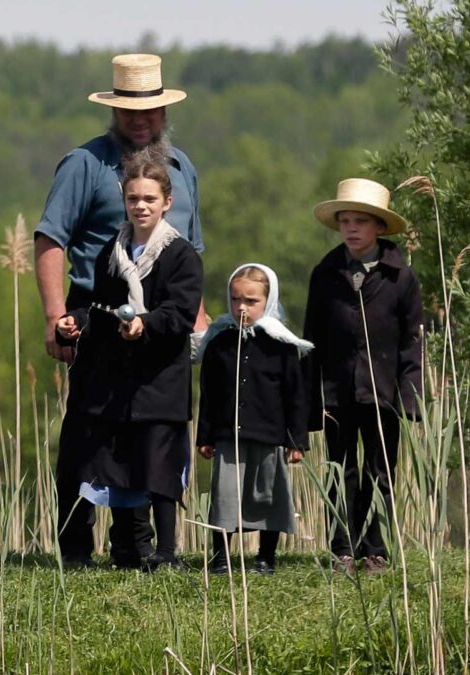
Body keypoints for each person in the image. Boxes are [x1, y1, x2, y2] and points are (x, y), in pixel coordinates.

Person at [35, 53, 205, 567]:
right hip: (98, 316)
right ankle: (75, 549)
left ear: (164, 112)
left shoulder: (182, 169)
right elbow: (50, 238)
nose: (140, 119)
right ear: (114, 110)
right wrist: (54, 315)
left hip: (161, 327)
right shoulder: (84, 164)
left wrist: (195, 318)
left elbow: (191, 250)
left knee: (146, 436)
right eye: (130, 109)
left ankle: (135, 549)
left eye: (150, 110)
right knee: (89, 437)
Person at [54, 152, 202, 570]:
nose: (141, 206)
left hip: (161, 380)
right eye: (134, 197)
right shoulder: (110, 253)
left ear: (167, 202)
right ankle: (126, 551)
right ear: (124, 199)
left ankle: (167, 553)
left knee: (159, 469)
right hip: (117, 380)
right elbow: (97, 305)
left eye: (150, 199)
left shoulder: (182, 255)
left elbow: (181, 314)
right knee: (121, 465)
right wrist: (75, 322)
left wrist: (145, 324)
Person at [303, 178, 423, 575]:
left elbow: (411, 341)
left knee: (380, 471)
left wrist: (410, 394)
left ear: (378, 227)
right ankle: (343, 548)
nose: (351, 229)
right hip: (337, 390)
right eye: (345, 222)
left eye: (360, 221)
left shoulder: (400, 276)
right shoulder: (326, 272)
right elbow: (312, 338)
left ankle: (377, 549)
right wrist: (311, 397)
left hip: (383, 389)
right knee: (340, 469)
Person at [196, 264, 312, 575]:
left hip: (270, 434)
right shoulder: (218, 343)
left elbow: (295, 396)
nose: (242, 308)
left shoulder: (282, 346)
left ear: (268, 301)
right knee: (225, 497)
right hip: (227, 435)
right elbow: (208, 393)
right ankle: (221, 557)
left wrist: (297, 440)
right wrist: (205, 435)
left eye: (251, 300)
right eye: (236, 300)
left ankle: (266, 558)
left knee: (268, 495)